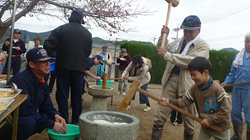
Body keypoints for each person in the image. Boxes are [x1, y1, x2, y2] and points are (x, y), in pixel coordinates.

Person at [151, 15, 210, 140]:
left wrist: (168, 55)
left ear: (199, 30)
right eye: (185, 30)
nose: (187, 33)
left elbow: (191, 62)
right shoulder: (178, 42)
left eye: (191, 31)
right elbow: (162, 49)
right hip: (172, 79)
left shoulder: (203, 46)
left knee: (189, 120)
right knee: (160, 113)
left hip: (190, 84)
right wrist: (163, 36)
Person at [158, 57, 231, 140]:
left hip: (221, 128)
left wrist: (210, 120)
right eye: (191, 75)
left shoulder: (217, 89)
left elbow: (226, 109)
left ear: (205, 72)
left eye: (194, 74)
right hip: (205, 127)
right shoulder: (194, 88)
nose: (192, 77)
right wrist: (169, 101)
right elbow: (184, 101)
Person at [5, 48, 66, 140]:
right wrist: (51, 124)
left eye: (48, 61)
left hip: (23, 118)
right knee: (29, 123)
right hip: (7, 123)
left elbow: (47, 105)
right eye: (43, 61)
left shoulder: (42, 80)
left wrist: (55, 115)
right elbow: (26, 111)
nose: (48, 64)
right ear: (31, 64)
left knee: (51, 118)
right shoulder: (21, 80)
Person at [43, 9, 92, 124]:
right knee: (77, 96)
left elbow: (48, 46)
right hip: (79, 68)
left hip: (62, 67)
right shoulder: (87, 34)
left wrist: (52, 57)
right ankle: (75, 122)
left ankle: (63, 119)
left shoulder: (60, 29)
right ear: (81, 20)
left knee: (62, 95)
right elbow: (88, 51)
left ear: (70, 18)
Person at [220, 32, 250, 140]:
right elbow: (232, 73)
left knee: (249, 116)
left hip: (249, 91)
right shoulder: (238, 56)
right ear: (244, 42)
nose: (249, 44)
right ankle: (237, 135)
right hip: (237, 89)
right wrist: (225, 83)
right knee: (235, 112)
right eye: (247, 41)